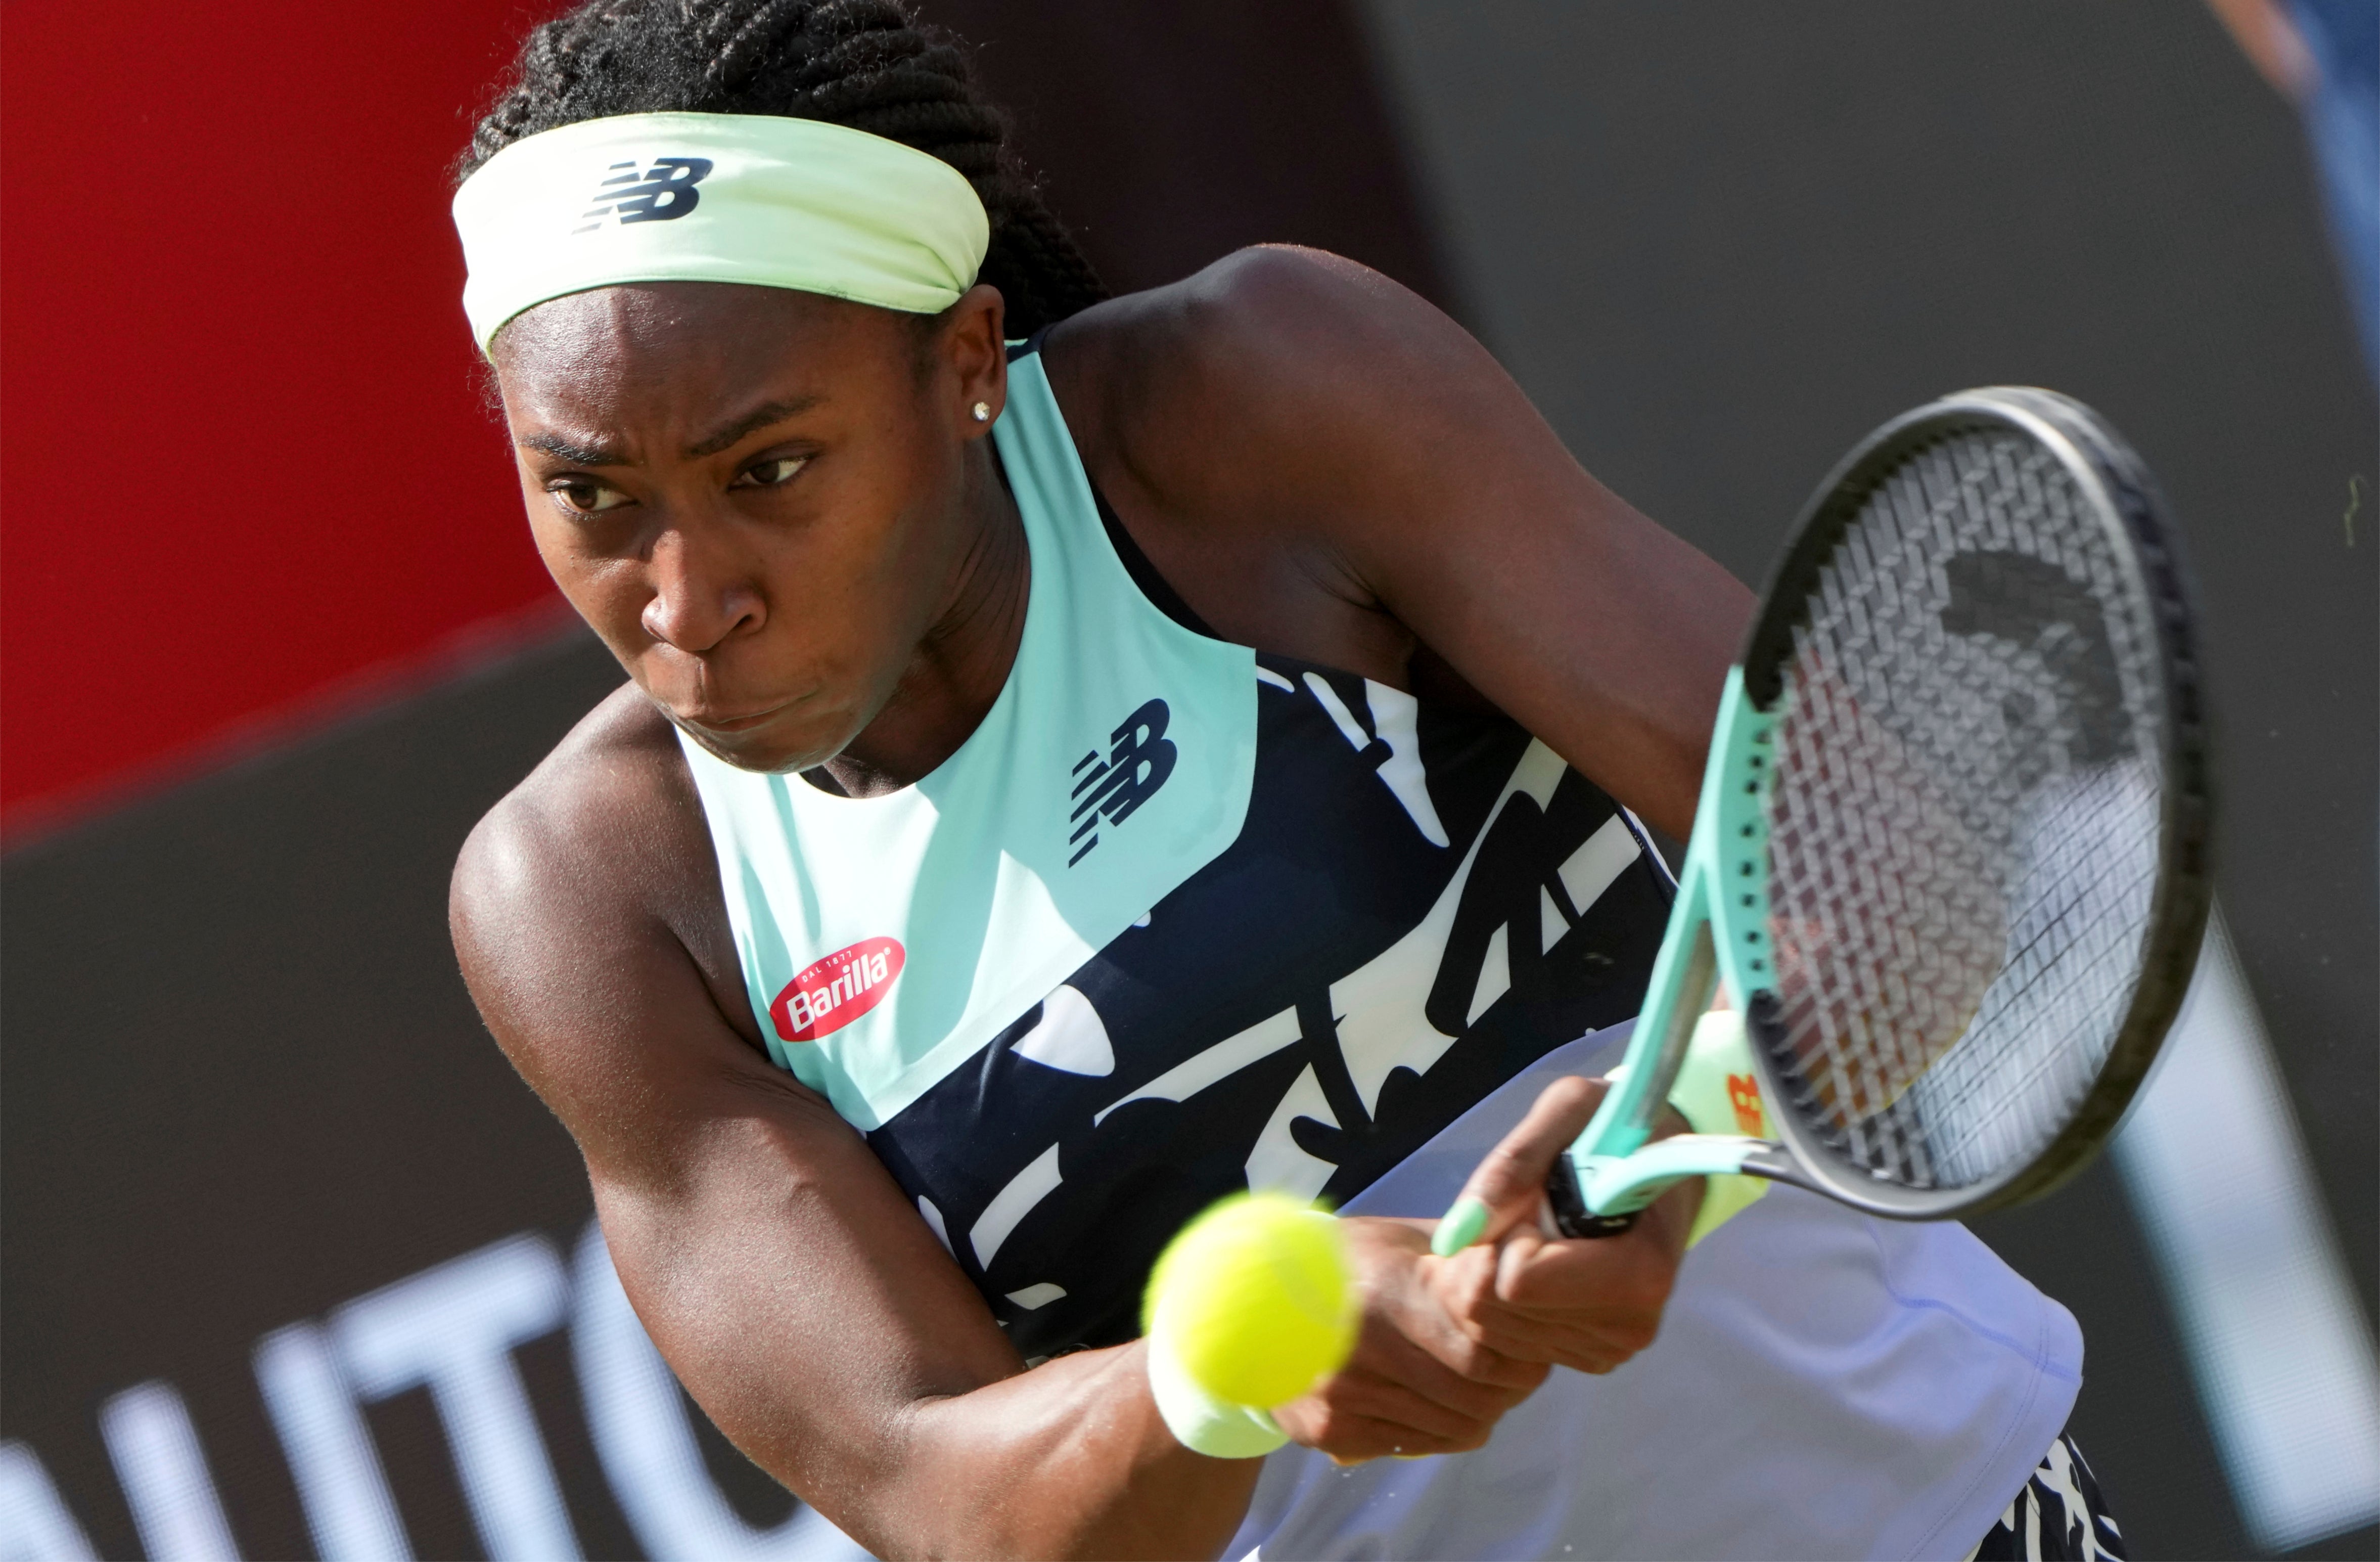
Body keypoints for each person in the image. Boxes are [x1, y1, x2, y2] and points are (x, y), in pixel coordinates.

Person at [447, 3, 2119, 1556]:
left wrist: (1670, 1142)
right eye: (590, 496)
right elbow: (931, 1481)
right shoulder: (592, 898)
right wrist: (1230, 1369)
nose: (685, 603)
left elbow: (1881, 858)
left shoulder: (1253, 400)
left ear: (963, 365)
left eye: (773, 467)